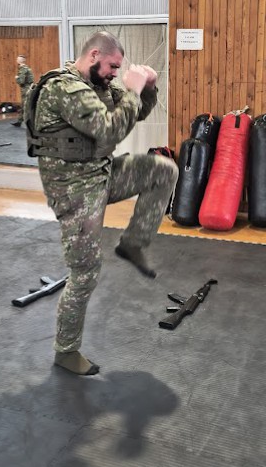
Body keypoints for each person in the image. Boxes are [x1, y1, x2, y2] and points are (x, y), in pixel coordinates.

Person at [27, 31, 178, 376]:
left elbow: (135, 114)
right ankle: (66, 351)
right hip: (74, 190)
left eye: (118, 69)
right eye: (112, 66)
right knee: (86, 271)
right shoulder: (64, 88)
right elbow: (110, 130)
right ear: (94, 55)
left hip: (101, 173)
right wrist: (133, 90)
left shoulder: (98, 84)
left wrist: (148, 88)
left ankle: (132, 243)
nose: (114, 73)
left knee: (163, 170)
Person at [11, 55, 34, 126]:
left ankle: (29, 122)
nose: (16, 60)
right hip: (29, 88)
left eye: (17, 59)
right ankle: (20, 121)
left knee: (25, 106)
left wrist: (17, 78)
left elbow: (21, 81)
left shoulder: (23, 69)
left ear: (20, 61)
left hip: (26, 89)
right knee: (25, 105)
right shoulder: (26, 68)